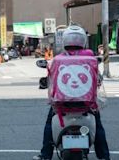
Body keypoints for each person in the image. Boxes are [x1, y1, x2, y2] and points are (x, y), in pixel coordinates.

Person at [33, 25, 111, 160]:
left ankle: (45, 155)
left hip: (61, 105)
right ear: (83, 41)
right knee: (98, 127)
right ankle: (104, 156)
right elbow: (97, 80)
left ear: (65, 41)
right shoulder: (91, 59)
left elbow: (52, 78)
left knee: (48, 125)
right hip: (87, 104)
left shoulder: (57, 60)